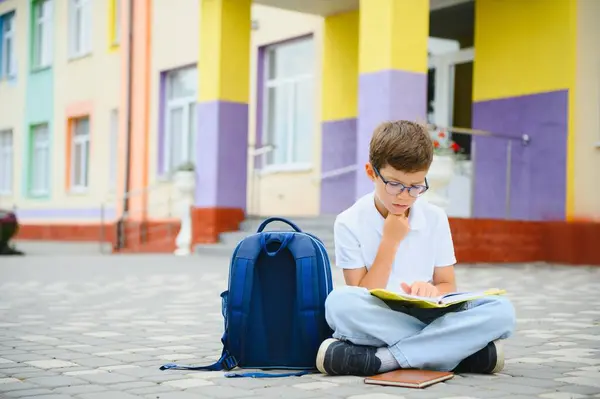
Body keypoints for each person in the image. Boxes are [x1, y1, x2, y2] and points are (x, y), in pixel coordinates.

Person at [315, 120, 515, 376]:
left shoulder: (435, 217)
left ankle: (386, 359)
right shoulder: (348, 221)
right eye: (395, 184)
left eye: (415, 187)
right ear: (371, 172)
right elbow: (360, 293)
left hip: (426, 316)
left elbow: (447, 285)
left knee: (502, 311)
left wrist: (432, 290)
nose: (404, 196)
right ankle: (460, 352)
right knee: (339, 304)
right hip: (380, 317)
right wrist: (390, 241)